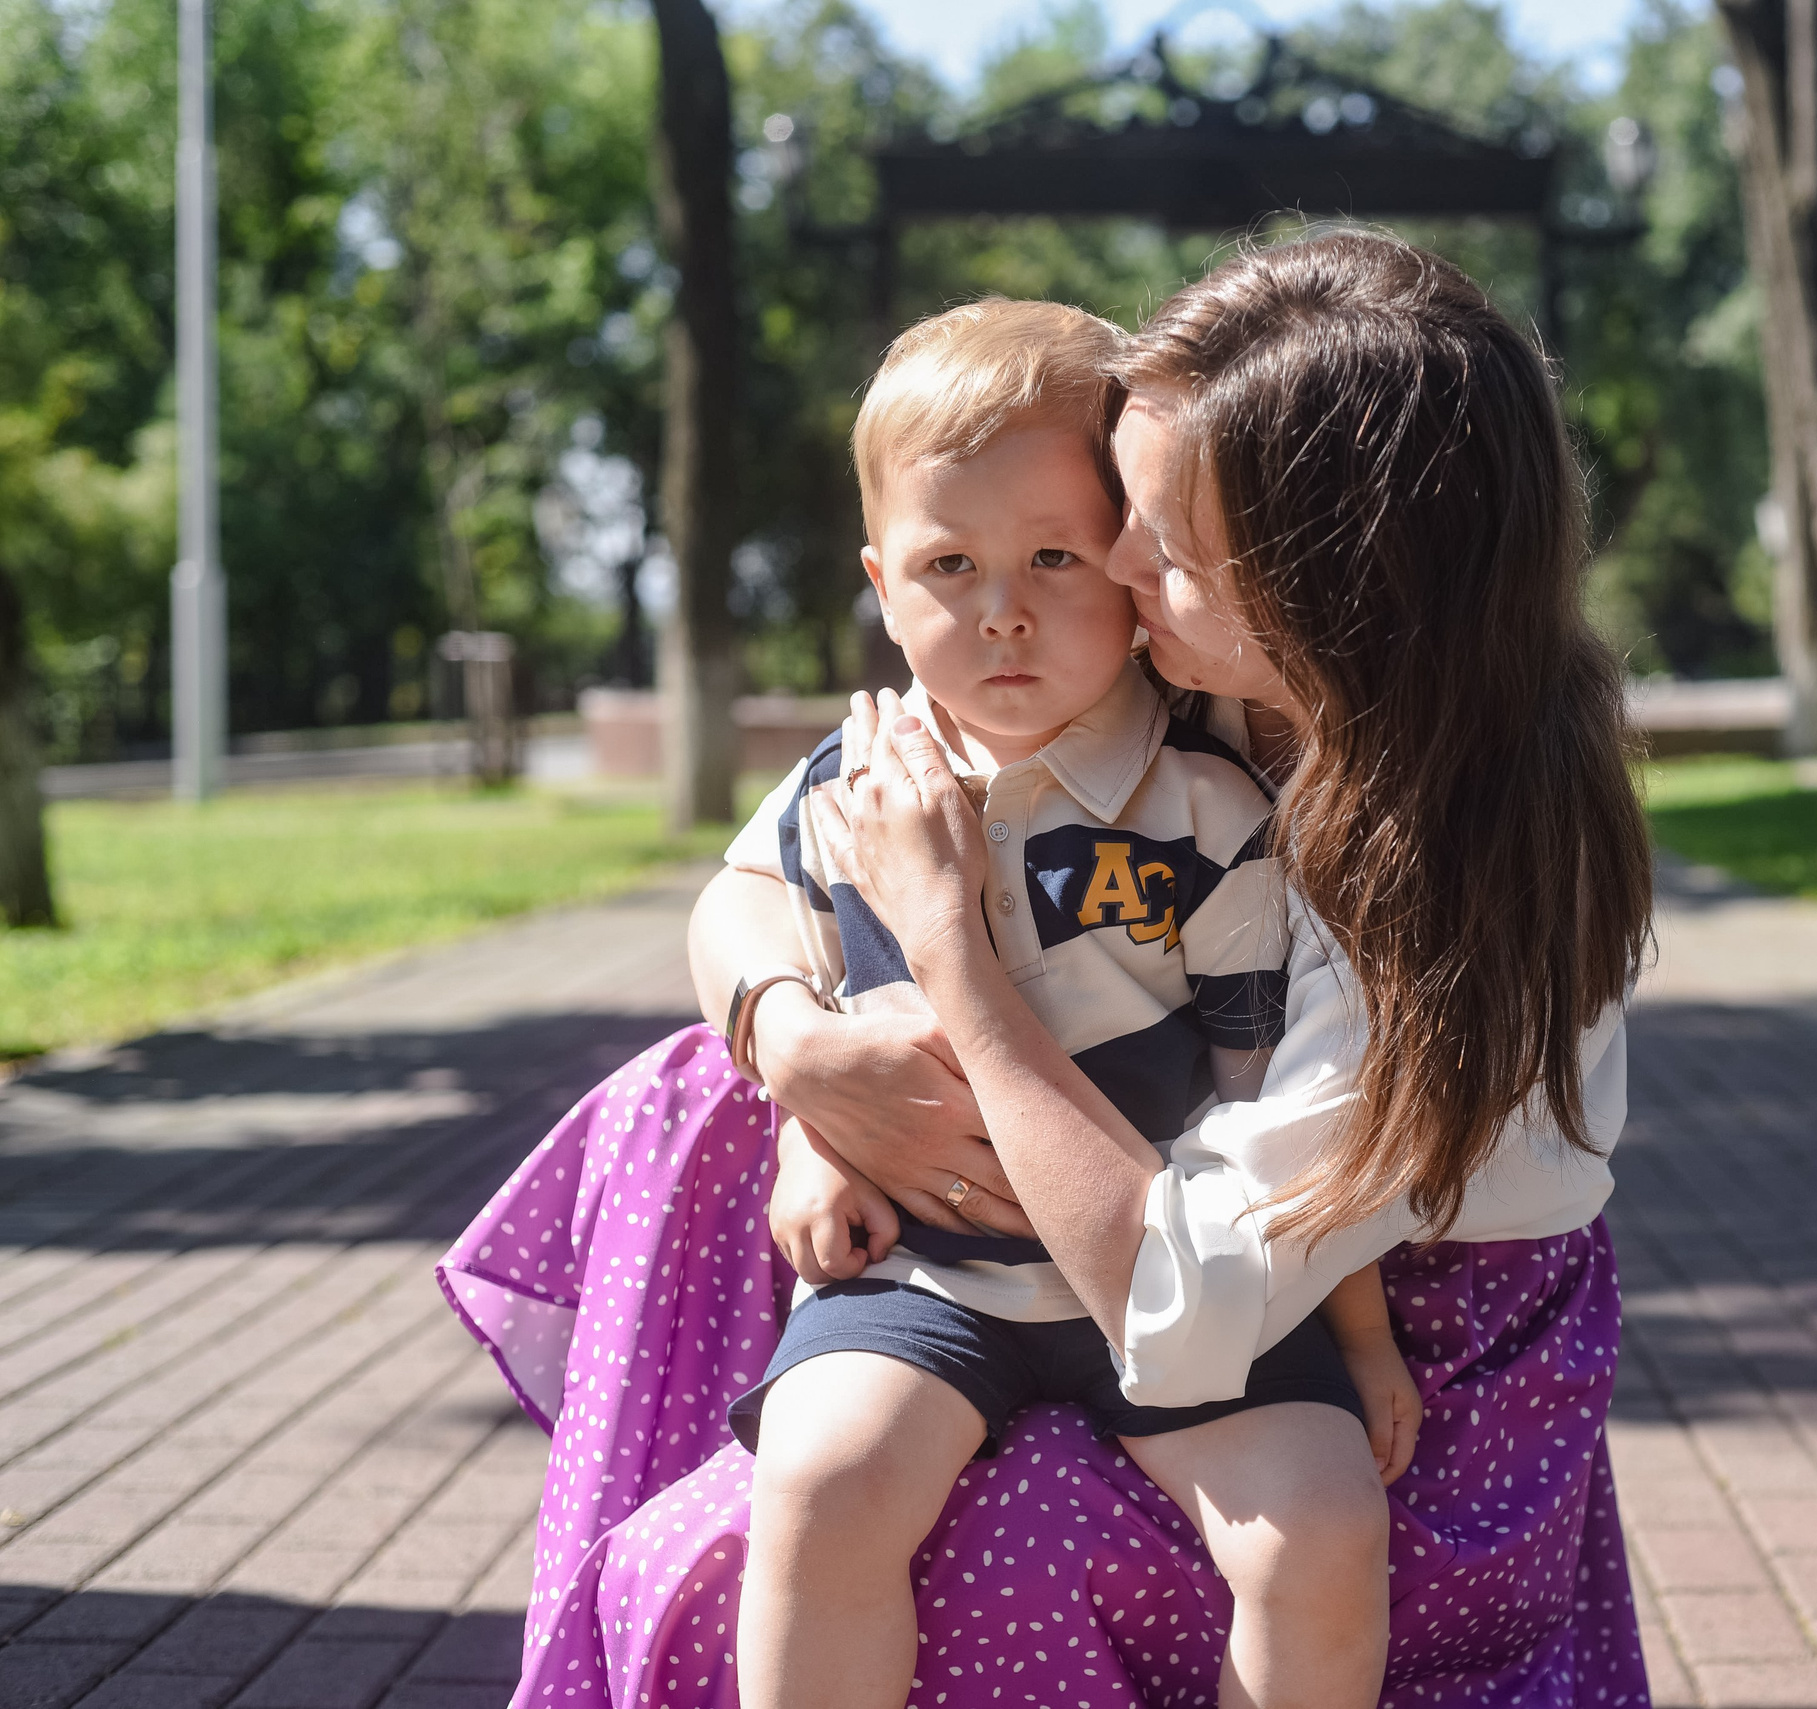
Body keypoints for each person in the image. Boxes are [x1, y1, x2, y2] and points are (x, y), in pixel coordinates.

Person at [440, 228, 1655, 1709]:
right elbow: (760, 891)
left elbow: (1203, 1266)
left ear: (1325, 589)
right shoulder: (1112, 718)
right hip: (1007, 1274)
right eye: (962, 563)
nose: (1104, 572)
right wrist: (799, 1061)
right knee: (788, 1507)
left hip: (1385, 1341)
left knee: (977, 1560)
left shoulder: (1398, 854)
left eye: (1148, 543)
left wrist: (948, 950)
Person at [727, 294, 1415, 1709]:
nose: (1003, 609)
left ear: (1131, 553)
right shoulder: (858, 775)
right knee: (820, 1474)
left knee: (1326, 1521)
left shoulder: (1208, 809)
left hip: (1179, 1285)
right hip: (933, 1276)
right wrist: (799, 1082)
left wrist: (1359, 1336)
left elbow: (1277, 1101)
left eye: (1053, 553)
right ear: (879, 577)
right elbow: (738, 913)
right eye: (947, 563)